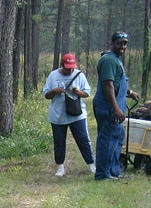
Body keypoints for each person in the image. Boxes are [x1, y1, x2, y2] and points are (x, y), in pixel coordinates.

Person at [92, 32, 140, 180]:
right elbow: (108, 85)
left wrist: (129, 92)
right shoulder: (108, 60)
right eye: (119, 43)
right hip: (108, 106)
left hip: (115, 105)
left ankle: (114, 171)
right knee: (107, 139)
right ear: (112, 43)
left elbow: (118, 83)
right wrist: (116, 108)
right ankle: (102, 174)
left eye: (125, 43)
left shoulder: (116, 60)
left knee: (117, 137)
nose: (123, 46)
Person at [42, 53, 95, 177]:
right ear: (62, 65)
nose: (70, 70)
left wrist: (77, 92)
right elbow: (46, 95)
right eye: (67, 67)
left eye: (72, 67)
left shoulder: (79, 75)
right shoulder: (53, 76)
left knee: (83, 139)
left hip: (77, 114)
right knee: (59, 142)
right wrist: (54, 91)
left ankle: (92, 164)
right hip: (58, 115)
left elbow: (87, 93)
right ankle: (60, 167)